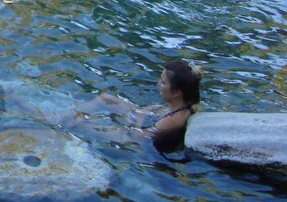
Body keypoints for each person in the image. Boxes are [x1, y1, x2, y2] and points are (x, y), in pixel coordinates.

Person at [72, 60, 202, 154]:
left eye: (163, 82)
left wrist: (137, 121)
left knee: (83, 125)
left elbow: (137, 138)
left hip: (130, 136)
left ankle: (64, 120)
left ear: (177, 92)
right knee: (105, 98)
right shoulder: (190, 105)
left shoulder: (171, 121)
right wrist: (147, 111)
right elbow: (164, 112)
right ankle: (71, 114)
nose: (158, 84)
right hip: (147, 120)